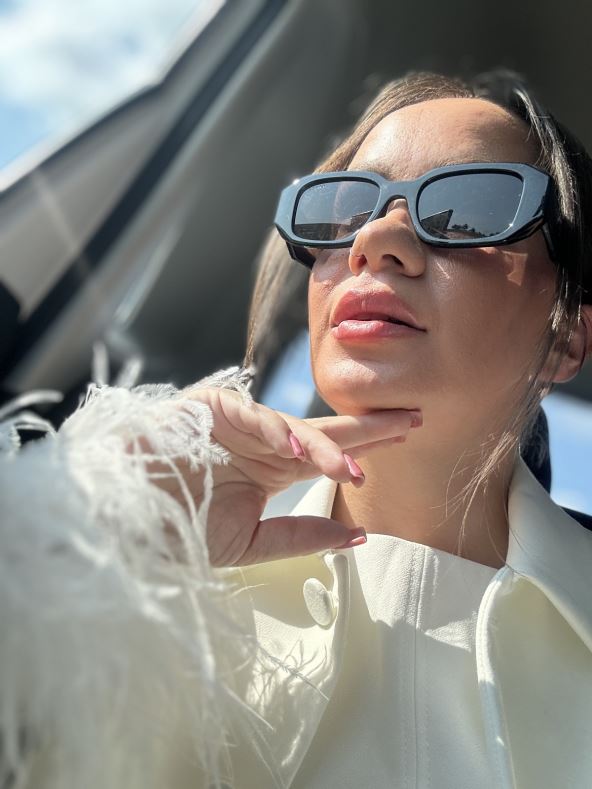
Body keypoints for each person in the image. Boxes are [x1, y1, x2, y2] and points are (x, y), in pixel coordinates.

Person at [1, 70, 592, 789]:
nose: (375, 239)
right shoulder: (160, 569)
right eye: (345, 210)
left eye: (469, 209)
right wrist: (86, 532)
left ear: (566, 338)